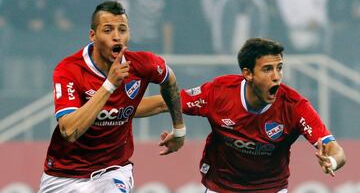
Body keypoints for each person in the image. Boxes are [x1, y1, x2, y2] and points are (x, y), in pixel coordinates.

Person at [135, 38, 346, 192]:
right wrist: (114, 111)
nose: (277, 77)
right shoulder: (219, 93)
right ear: (248, 73)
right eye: (268, 69)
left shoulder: (294, 106)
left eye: (279, 68)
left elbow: (336, 150)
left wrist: (332, 162)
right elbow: (164, 103)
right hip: (221, 187)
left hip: (269, 189)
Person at [38, 1, 186, 193]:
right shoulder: (69, 70)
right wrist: (109, 85)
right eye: (107, 30)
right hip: (64, 174)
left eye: (122, 30)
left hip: (113, 171)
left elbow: (170, 83)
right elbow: (69, 131)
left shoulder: (144, 64)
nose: (116, 37)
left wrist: (179, 130)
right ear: (93, 35)